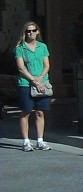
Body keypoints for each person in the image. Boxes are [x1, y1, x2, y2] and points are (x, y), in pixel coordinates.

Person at [15, 22, 53, 152]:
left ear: (37, 32)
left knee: (40, 112)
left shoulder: (42, 47)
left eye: (33, 30)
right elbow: (21, 67)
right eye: (28, 31)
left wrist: (41, 78)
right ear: (24, 33)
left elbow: (47, 65)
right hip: (26, 83)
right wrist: (34, 80)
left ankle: (40, 140)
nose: (30, 33)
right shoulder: (21, 48)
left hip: (42, 82)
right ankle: (26, 141)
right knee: (26, 111)